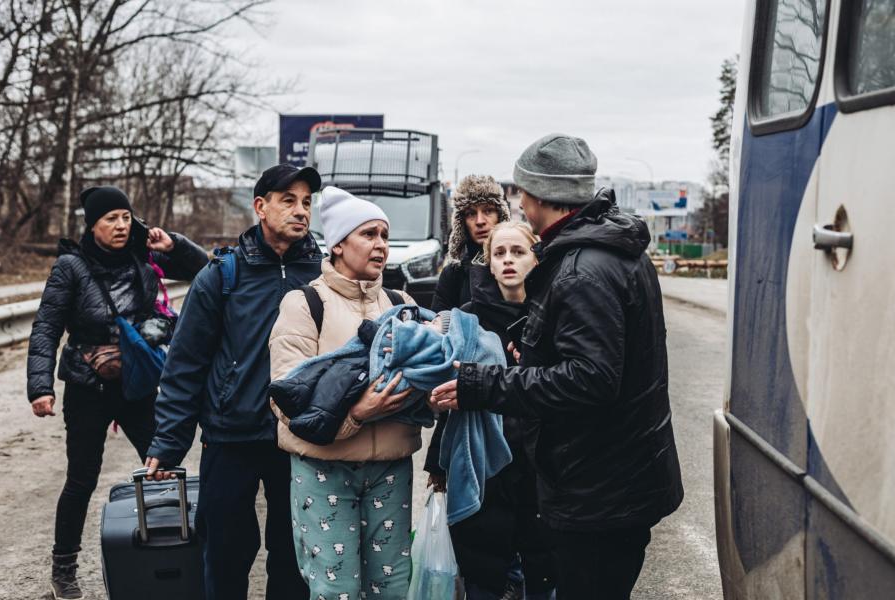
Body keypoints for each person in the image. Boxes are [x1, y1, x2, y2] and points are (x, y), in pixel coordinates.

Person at [430, 134, 684, 600]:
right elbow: (610, 360)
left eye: (522, 192)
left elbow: (591, 379)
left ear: (541, 195)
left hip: (598, 493)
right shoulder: (612, 252)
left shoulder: (582, 270)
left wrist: (484, 384)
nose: (519, 202)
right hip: (620, 480)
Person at [144, 164, 323, 600]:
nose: (300, 211)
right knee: (225, 556)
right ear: (260, 207)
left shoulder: (323, 274)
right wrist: (169, 442)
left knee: (294, 558)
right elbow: (186, 364)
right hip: (230, 437)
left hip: (297, 438)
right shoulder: (222, 276)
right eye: (288, 201)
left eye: (306, 203)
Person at [26, 185, 208, 600]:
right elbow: (46, 327)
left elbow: (205, 269)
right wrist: (41, 386)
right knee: (81, 479)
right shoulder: (70, 268)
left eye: (126, 217)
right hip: (87, 387)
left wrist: (173, 243)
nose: (122, 226)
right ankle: (64, 571)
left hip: (138, 382)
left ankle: (174, 553)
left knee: (165, 464)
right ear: (92, 225)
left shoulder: (144, 254)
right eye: (112, 219)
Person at [268, 186, 420, 600]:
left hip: (391, 469)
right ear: (337, 244)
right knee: (337, 589)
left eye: (384, 236)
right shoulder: (304, 304)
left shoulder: (400, 302)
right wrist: (357, 414)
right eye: (368, 234)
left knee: (392, 588)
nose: (381, 246)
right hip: (324, 470)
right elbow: (284, 397)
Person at [426, 221, 556, 600]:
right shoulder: (466, 317)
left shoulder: (553, 311)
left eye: (518, 251)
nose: (508, 261)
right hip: (484, 466)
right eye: (499, 253)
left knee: (544, 569)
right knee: (483, 572)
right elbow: (442, 379)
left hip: (540, 464)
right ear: (489, 263)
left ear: (536, 257)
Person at [432, 175, 511, 312]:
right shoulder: (453, 274)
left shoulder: (518, 263)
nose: (480, 221)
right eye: (471, 213)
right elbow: (437, 326)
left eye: (488, 210)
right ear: (461, 222)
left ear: (500, 215)